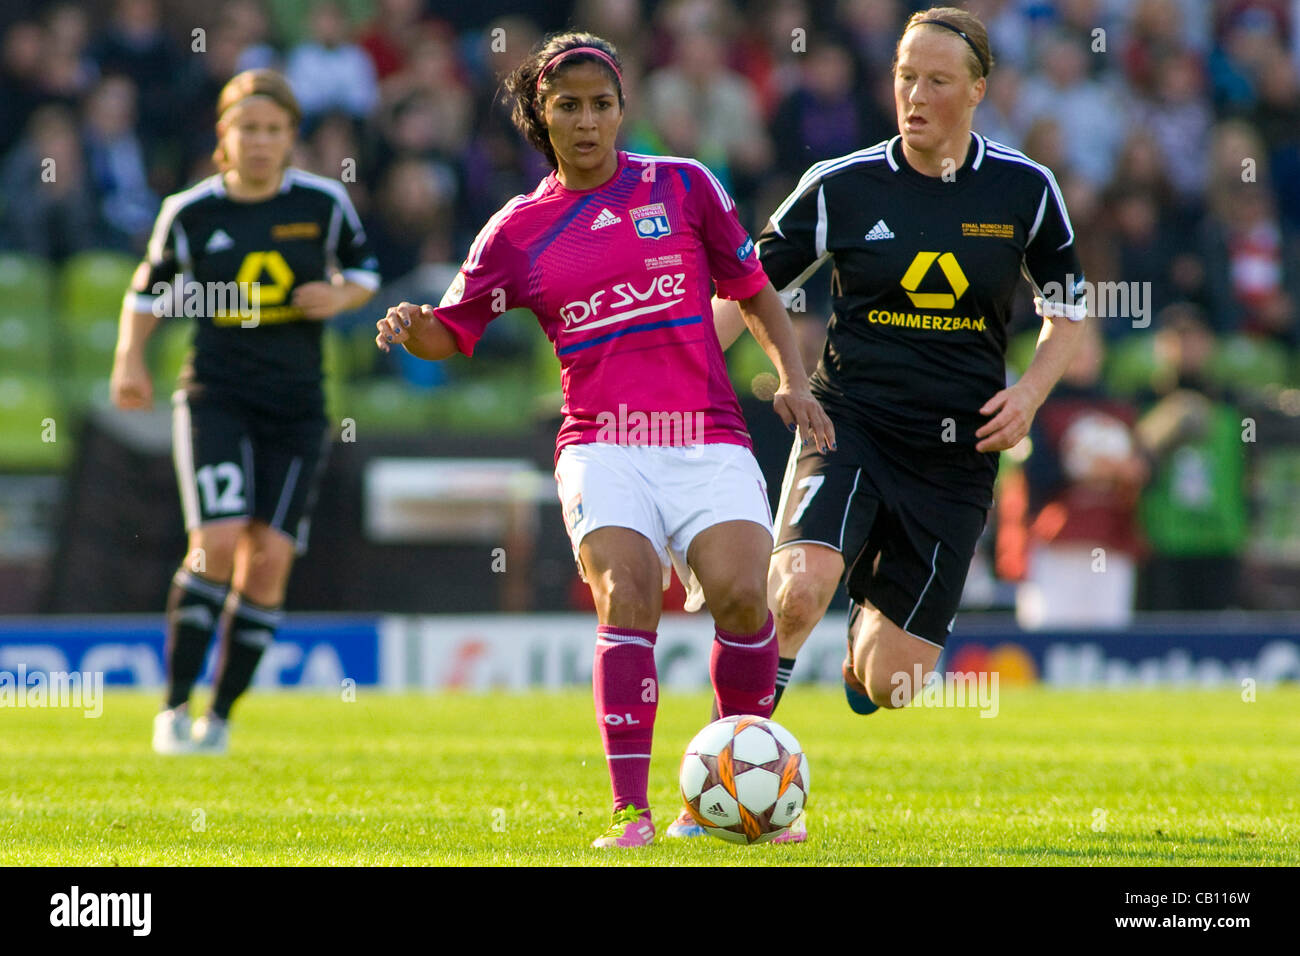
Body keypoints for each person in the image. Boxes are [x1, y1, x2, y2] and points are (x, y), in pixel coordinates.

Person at [374, 32, 832, 848]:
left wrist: (794, 382)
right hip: (603, 443)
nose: (587, 121)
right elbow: (456, 328)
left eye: (601, 104)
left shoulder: (687, 186)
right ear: (540, 117)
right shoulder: (517, 230)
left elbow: (755, 292)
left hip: (706, 434)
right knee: (625, 594)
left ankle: (727, 795)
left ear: (624, 109)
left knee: (741, 596)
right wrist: (415, 329)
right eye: (567, 106)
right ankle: (632, 812)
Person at [709, 7, 1090, 734]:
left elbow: (1069, 309)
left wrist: (1031, 395)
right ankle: (730, 770)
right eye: (904, 77)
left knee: (896, 683)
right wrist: (684, 371)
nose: (915, 96)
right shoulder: (841, 186)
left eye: (937, 81)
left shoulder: (1025, 190)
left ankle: (866, 639)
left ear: (978, 90)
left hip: (957, 452)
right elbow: (746, 288)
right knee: (794, 594)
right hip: (848, 419)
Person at [109, 68, 379, 755]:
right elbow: (147, 293)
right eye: (247, 128)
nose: (259, 141)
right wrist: (129, 360)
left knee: (269, 562)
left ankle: (220, 718)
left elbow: (366, 273)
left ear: (291, 139)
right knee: (219, 544)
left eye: (273, 130)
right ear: (223, 138)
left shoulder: (322, 204)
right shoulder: (191, 211)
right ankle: (172, 708)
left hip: (296, 406)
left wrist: (341, 297)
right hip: (215, 396)